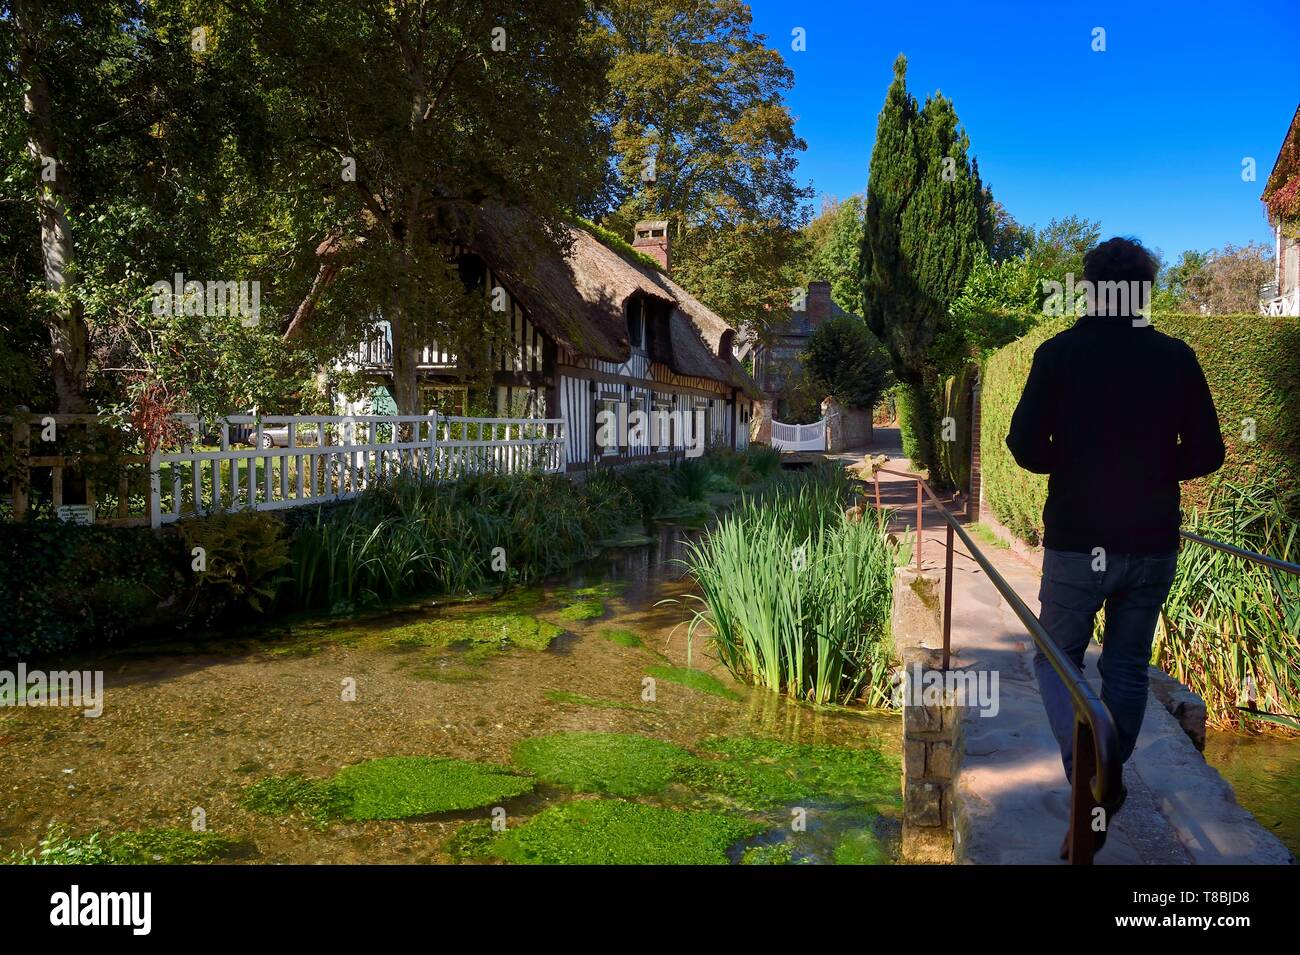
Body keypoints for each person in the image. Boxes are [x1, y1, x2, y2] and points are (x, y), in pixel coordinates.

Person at [1005, 236, 1225, 857]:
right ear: (1143, 292)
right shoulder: (1176, 358)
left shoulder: (1060, 354)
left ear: (1089, 289)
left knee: (1056, 659)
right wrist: (1151, 470)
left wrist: (1073, 462)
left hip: (1078, 538)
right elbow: (1209, 452)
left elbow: (1023, 445)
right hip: (1151, 538)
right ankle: (1105, 780)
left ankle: (1091, 781)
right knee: (1126, 666)